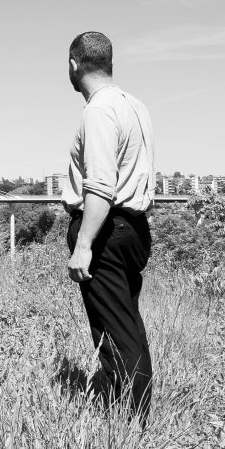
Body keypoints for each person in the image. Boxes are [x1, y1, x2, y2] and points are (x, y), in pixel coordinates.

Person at [62, 31, 155, 424]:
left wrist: (84, 244)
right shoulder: (135, 106)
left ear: (74, 65)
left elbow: (100, 184)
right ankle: (124, 408)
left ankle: (134, 422)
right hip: (132, 228)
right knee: (123, 321)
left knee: (118, 330)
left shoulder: (98, 111)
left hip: (105, 230)